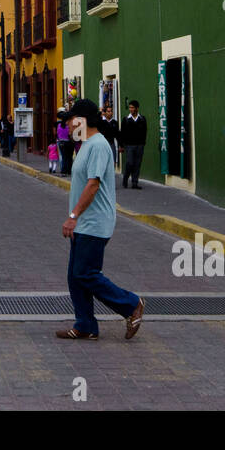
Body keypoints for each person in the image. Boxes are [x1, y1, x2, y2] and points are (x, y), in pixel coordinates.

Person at [57, 98, 144, 341]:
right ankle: (85, 324)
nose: (70, 124)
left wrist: (73, 216)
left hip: (95, 222)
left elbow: (93, 185)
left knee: (86, 273)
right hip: (85, 223)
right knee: (76, 276)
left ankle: (131, 304)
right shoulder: (85, 145)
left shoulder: (98, 145)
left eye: (73, 119)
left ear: (83, 120)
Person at [120, 100, 147, 189]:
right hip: (129, 145)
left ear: (137, 108)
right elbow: (122, 133)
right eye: (130, 107)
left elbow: (145, 132)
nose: (130, 109)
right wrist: (121, 145)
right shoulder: (126, 119)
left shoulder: (142, 119)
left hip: (140, 145)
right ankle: (125, 178)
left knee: (137, 164)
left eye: (132, 107)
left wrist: (143, 143)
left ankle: (135, 183)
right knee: (130, 163)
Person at [101, 106, 120, 172]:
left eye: (111, 111)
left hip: (112, 143)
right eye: (108, 111)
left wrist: (121, 145)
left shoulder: (114, 122)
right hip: (103, 144)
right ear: (105, 113)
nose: (110, 113)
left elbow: (117, 135)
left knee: (113, 162)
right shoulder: (101, 122)